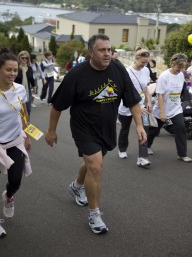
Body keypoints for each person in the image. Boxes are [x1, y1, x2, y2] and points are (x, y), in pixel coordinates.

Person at [45, 34, 147, 235]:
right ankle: (95, 213)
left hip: (106, 127)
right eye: (102, 50)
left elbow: (133, 100)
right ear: (91, 52)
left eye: (109, 49)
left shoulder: (118, 69)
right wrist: (51, 131)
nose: (107, 53)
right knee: (96, 165)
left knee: (93, 162)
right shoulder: (76, 75)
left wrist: (140, 126)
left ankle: (77, 186)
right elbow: (57, 106)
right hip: (83, 127)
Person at [0, 48, 32, 238]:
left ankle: (9, 196)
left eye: (15, 70)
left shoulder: (20, 89)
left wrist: (28, 136)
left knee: (15, 181)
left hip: (15, 140)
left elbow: (23, 113)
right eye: (8, 70)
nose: (12, 74)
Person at [147, 53, 192, 162]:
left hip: (176, 108)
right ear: (172, 63)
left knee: (181, 128)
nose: (180, 69)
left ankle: (182, 154)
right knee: (154, 130)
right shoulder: (164, 76)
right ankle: (147, 146)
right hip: (162, 108)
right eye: (178, 67)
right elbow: (160, 95)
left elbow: (182, 91)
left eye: (182, 67)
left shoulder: (181, 75)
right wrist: (162, 112)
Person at [118, 46, 152, 167]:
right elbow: (122, 91)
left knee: (145, 128)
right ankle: (122, 149)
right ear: (136, 59)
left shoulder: (146, 70)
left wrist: (148, 101)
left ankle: (142, 158)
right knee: (125, 129)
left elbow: (145, 88)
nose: (144, 65)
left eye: (146, 62)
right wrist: (136, 106)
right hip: (126, 106)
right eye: (143, 62)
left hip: (142, 105)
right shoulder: (126, 72)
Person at [15, 51, 36, 116]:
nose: (24, 59)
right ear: (19, 58)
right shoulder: (16, 68)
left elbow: (31, 78)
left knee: (28, 108)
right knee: (19, 108)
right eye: (22, 58)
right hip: (17, 90)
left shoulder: (29, 68)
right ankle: (19, 123)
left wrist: (34, 86)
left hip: (27, 90)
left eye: (26, 58)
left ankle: (27, 123)